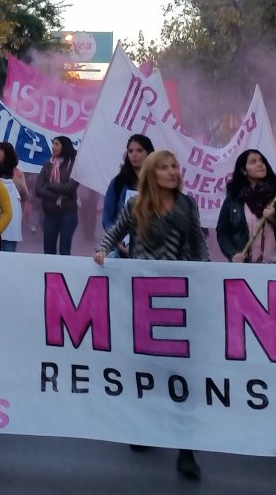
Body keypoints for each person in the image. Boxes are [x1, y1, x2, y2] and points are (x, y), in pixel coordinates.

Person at [94, 150, 209, 481]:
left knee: (181, 373)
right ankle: (144, 429)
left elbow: (198, 245)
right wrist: (102, 250)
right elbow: (115, 232)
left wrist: (205, 277)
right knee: (145, 369)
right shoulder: (136, 205)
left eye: (175, 166)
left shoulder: (187, 206)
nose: (173, 172)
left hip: (180, 298)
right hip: (143, 296)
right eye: (165, 167)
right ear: (151, 173)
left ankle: (186, 449)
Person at [216, 149, 276, 263]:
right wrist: (233, 254)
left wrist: (275, 219)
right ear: (244, 171)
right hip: (247, 268)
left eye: (261, 161)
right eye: (253, 162)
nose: (260, 164)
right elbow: (222, 232)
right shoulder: (234, 199)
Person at [35, 136, 80, 256]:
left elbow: (70, 188)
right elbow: (38, 189)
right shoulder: (47, 165)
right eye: (53, 144)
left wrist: (49, 186)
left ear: (64, 146)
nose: (53, 147)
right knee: (48, 250)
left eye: (56, 144)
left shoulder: (74, 165)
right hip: (50, 213)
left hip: (68, 212)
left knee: (64, 250)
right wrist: (56, 196)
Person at [102, 134, 154, 233]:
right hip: (120, 243)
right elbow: (107, 218)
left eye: (139, 150)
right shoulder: (118, 182)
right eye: (130, 151)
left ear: (149, 153)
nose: (134, 155)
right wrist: (117, 241)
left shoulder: (159, 182)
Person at [0, 141, 28, 252]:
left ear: (6, 153)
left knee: (8, 252)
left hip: (11, 221)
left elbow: (26, 196)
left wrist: (18, 182)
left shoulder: (17, 173)